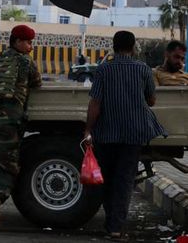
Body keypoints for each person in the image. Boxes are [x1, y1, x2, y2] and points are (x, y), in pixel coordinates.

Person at [84, 31, 166, 241]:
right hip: (134, 133)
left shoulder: (103, 70)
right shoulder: (143, 69)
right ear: (133, 47)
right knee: (124, 180)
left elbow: (95, 103)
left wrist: (88, 130)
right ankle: (115, 227)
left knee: (108, 179)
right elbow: (151, 101)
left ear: (113, 46)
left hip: (106, 133)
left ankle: (111, 222)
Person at [0, 24, 41, 232]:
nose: (31, 47)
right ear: (17, 42)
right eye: (28, 42)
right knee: (9, 165)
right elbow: (37, 83)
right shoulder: (25, 61)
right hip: (8, 122)